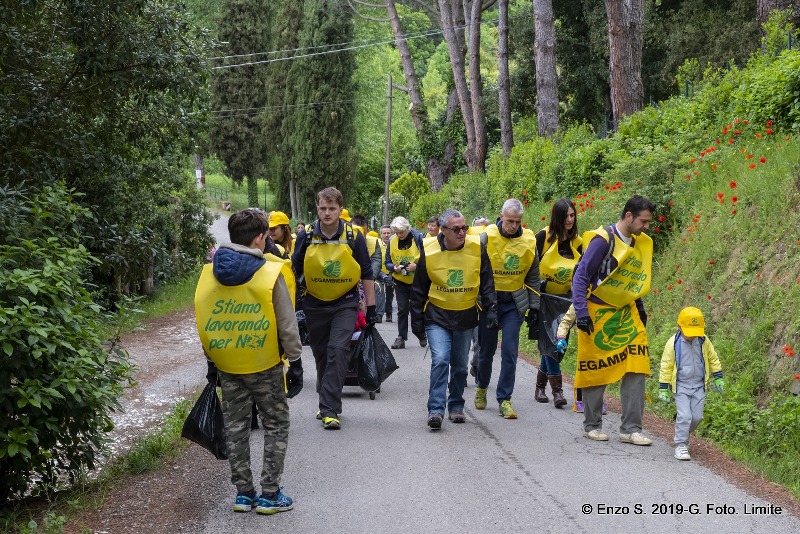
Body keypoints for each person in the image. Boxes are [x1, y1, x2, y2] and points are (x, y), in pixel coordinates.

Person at [194, 208, 303, 515]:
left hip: (227, 363)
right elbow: (286, 324)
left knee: (236, 427)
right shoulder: (270, 272)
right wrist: (295, 361)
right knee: (276, 424)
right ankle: (270, 495)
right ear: (259, 238)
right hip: (264, 363)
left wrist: (211, 360)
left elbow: (205, 319)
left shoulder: (209, 273)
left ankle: (243, 494)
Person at [572, 195, 655, 445]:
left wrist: (640, 308)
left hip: (626, 311)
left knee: (636, 364)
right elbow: (581, 277)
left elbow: (633, 280)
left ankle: (631, 428)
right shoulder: (603, 240)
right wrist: (581, 313)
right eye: (643, 221)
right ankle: (591, 425)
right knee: (596, 368)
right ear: (629, 216)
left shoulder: (640, 242)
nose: (646, 227)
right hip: (597, 311)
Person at [292, 187, 377, 430]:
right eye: (323, 208)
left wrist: (371, 308)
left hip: (345, 302)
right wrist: (296, 304)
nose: (327, 213)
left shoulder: (354, 236)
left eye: (332, 208)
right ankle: (325, 400)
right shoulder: (306, 236)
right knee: (321, 354)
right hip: (314, 303)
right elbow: (295, 269)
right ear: (317, 208)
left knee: (338, 350)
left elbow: (366, 272)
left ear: (340, 209)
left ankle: (330, 409)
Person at [411, 209, 497, 429]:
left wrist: (491, 311)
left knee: (459, 366)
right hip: (437, 316)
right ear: (443, 230)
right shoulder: (429, 250)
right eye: (456, 229)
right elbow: (419, 288)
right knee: (441, 359)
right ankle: (436, 410)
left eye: (464, 228)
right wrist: (416, 321)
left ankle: (456, 405)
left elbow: (487, 282)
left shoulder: (477, 248)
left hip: (465, 316)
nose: (462, 232)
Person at [473, 199, 540, 419]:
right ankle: (482, 386)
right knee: (486, 350)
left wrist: (534, 306)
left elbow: (533, 276)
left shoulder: (529, 241)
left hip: (513, 302)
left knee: (510, 352)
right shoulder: (486, 237)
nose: (513, 226)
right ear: (501, 217)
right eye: (510, 221)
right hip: (489, 302)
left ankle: (504, 399)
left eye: (517, 222)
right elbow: (475, 270)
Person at [534, 198, 582, 409]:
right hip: (544, 300)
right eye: (565, 216)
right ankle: (557, 392)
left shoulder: (578, 242)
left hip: (566, 301)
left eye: (572, 215)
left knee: (557, 345)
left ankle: (539, 387)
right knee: (553, 343)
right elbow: (530, 264)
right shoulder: (543, 237)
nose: (569, 220)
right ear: (557, 217)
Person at [658, 307, 724, 461]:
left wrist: (718, 377)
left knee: (697, 417)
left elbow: (713, 358)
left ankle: (684, 432)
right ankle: (681, 444)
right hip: (681, 385)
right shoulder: (673, 343)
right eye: (689, 332)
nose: (692, 335)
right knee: (685, 416)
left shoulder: (703, 340)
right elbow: (666, 365)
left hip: (699, 386)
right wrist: (663, 388)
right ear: (679, 327)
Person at [385, 216, 426, 349]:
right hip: (400, 280)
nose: (399, 235)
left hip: (417, 281)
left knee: (417, 310)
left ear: (407, 228)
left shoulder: (418, 238)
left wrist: (416, 266)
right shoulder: (392, 241)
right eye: (396, 233)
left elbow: (428, 260)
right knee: (402, 309)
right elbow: (387, 262)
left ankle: (420, 333)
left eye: (401, 232)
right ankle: (401, 337)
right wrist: (394, 267)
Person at [352, 214, 385, 322]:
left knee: (377, 287)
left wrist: (369, 278)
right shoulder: (344, 240)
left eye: (364, 233)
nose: (361, 235)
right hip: (349, 278)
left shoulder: (373, 242)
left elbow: (376, 262)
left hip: (367, 277)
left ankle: (377, 314)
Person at [379, 225, 395, 322]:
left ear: (391, 234)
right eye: (384, 233)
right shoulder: (377, 244)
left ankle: (389, 313)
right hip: (379, 272)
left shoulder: (394, 244)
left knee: (389, 294)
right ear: (381, 234)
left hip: (390, 272)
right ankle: (378, 314)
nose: (386, 235)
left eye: (388, 233)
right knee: (379, 293)